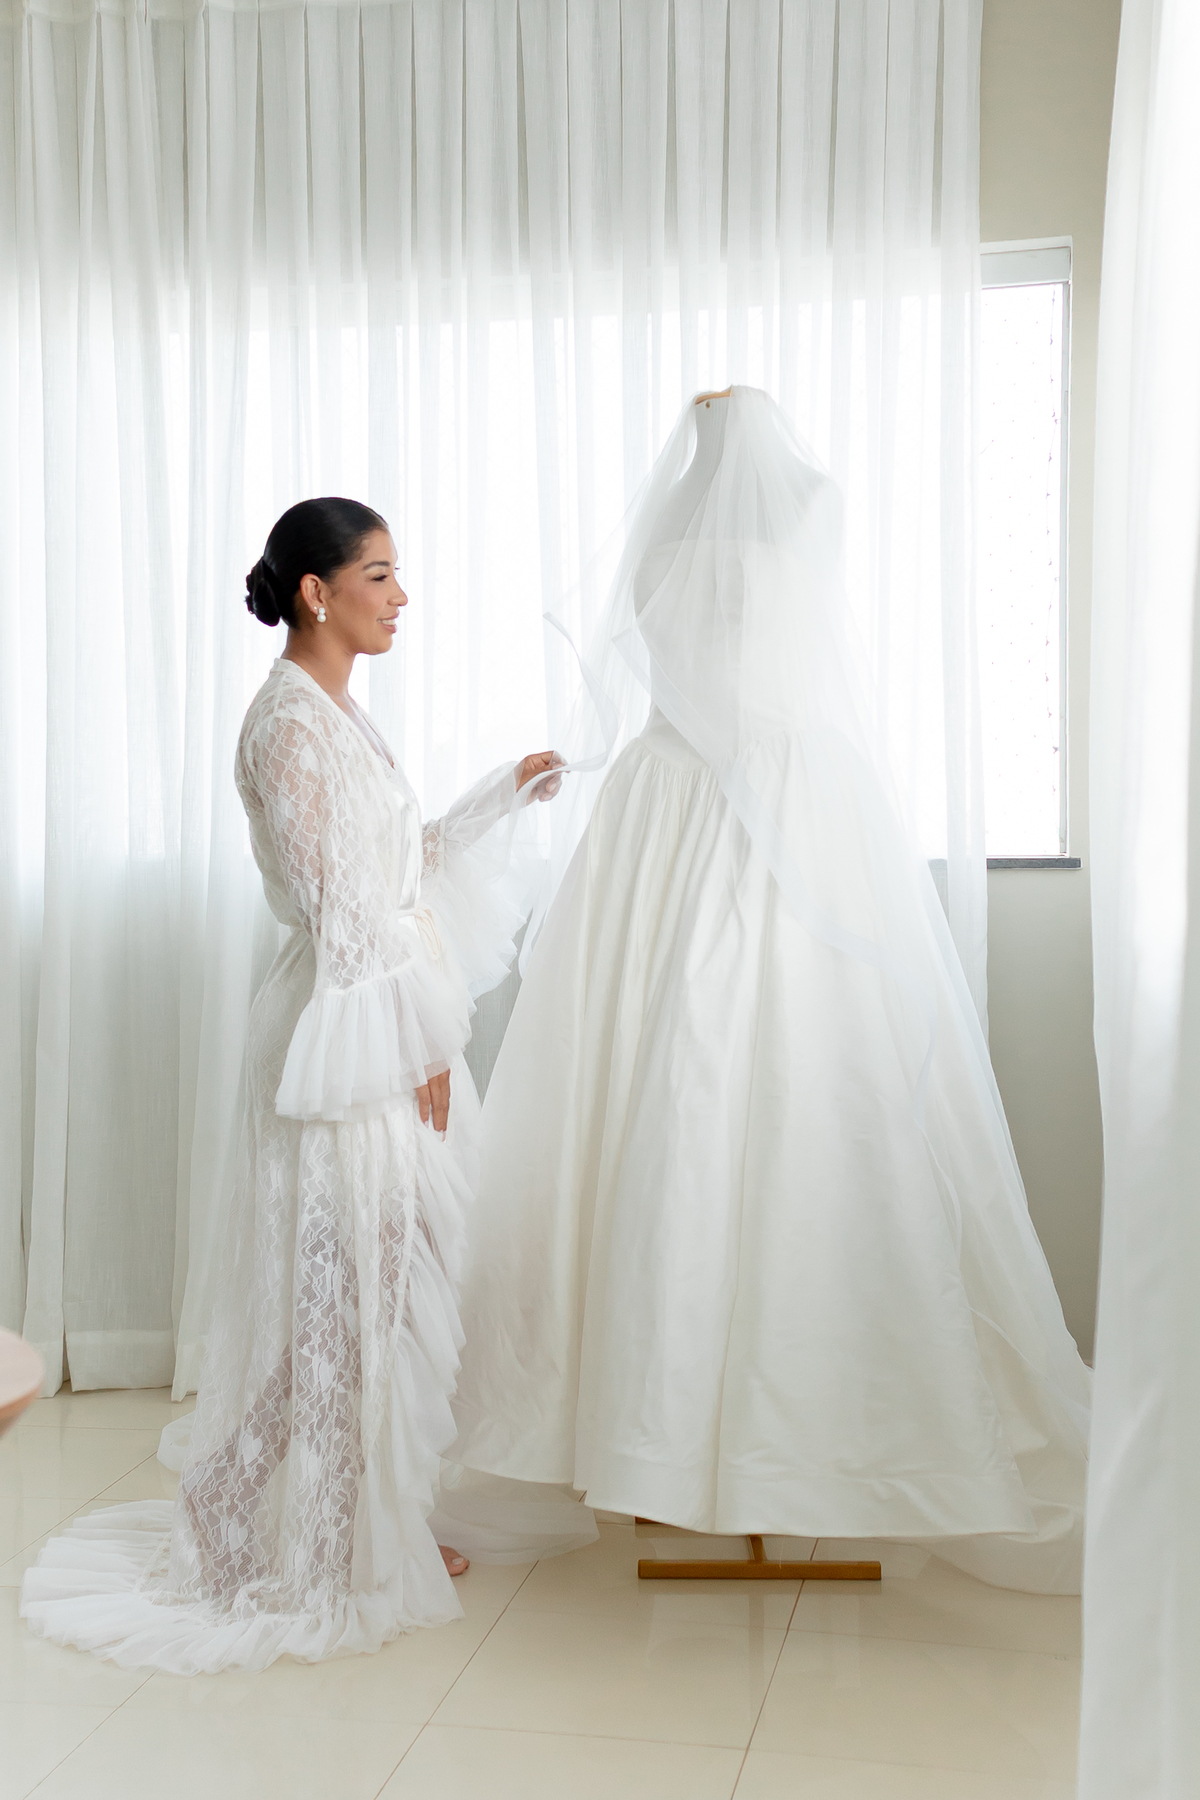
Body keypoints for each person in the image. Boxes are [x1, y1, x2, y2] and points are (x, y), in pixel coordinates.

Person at [448, 388, 1092, 1595]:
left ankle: (705, 1434)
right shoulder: (797, 510)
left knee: (729, 1085)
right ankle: (685, 1437)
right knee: (683, 1083)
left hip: (685, 803)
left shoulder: (679, 528)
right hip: (748, 792)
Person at [21, 497, 567, 1673]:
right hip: (345, 1034)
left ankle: (367, 1520)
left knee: (385, 1280)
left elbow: (395, 867)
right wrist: (421, 1047)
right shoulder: (285, 726)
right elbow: (340, 914)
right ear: (316, 592)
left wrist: (498, 795)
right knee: (332, 1294)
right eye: (380, 574)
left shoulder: (339, 714)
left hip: (378, 1013)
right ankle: (301, 1540)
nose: (401, 596)